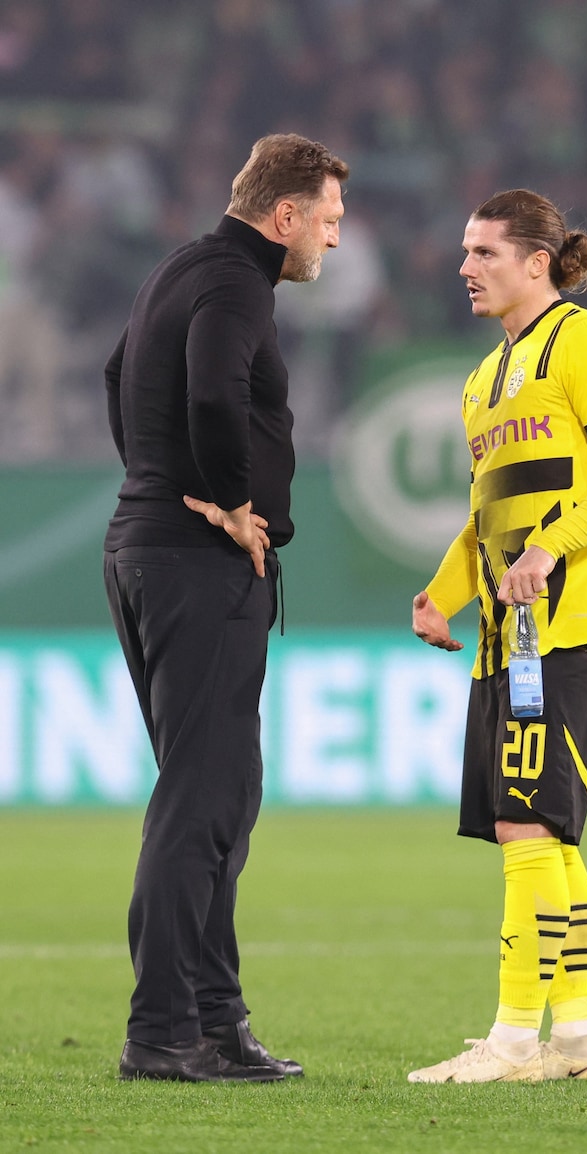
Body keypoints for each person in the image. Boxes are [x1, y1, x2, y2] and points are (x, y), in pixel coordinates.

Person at [103, 133, 349, 1083]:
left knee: (220, 798)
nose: (333, 236)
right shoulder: (238, 285)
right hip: (195, 566)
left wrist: (157, 479)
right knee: (200, 803)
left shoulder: (182, 267)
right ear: (283, 215)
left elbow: (117, 375)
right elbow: (212, 394)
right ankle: (162, 1031)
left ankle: (214, 1020)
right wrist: (229, 501)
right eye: (326, 219)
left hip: (151, 551)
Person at [407, 189, 587, 1084]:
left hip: (575, 628)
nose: (465, 267)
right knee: (548, 833)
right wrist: (440, 595)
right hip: (506, 640)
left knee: (525, 824)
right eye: (465, 252)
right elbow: (486, 518)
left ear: (536, 263)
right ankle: (580, 1043)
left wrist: (552, 547)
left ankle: (513, 1041)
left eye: (483, 253)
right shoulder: (483, 380)